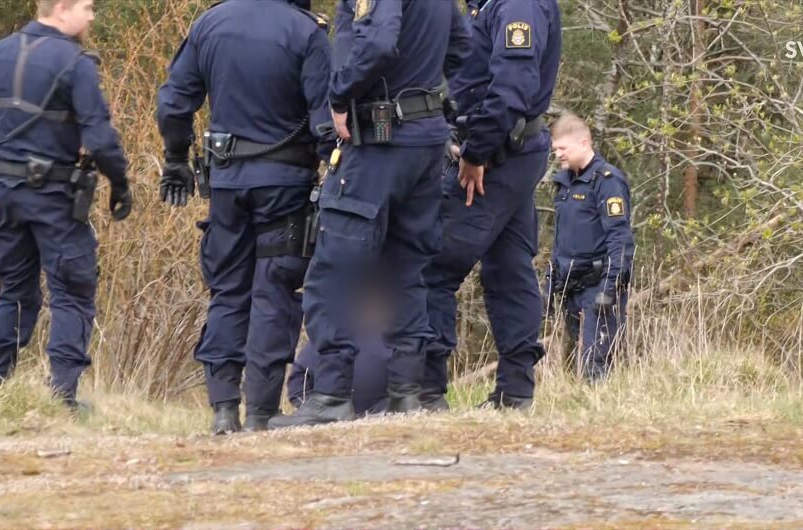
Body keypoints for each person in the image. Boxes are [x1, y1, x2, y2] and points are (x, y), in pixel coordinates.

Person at [267, 0, 470, 429]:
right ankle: (405, 393)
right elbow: (462, 47)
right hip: (424, 142)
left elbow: (377, 42)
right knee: (408, 268)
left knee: (334, 271)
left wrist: (341, 94)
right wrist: (430, 97)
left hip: (380, 141)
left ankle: (330, 395)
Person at [156, 0, 332, 434]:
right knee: (274, 288)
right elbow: (325, 118)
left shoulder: (210, 23)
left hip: (228, 184)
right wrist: (337, 171)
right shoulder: (305, 32)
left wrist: (177, 157)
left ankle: (222, 409)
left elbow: (174, 103)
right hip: (285, 184)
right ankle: (261, 411)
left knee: (228, 288)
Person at [0, 0, 132, 409]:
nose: (92, 17)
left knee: (15, 290)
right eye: (87, 8)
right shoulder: (75, 62)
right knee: (72, 289)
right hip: (55, 194)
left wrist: (11, 147)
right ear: (60, 9)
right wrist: (120, 184)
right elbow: (101, 137)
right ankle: (63, 396)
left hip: (9, 192)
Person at [421, 0, 562, 411]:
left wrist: (476, 152)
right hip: (508, 150)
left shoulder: (517, 4)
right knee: (509, 265)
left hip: (498, 154)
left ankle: (426, 391)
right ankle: (515, 390)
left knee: (437, 263)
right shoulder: (489, 6)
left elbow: (512, 85)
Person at [549, 113, 635, 381]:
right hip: (571, 285)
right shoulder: (565, 184)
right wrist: (552, 280)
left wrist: (610, 288)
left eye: (563, 148)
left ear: (584, 143)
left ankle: (602, 414)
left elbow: (619, 238)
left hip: (598, 285)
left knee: (594, 362)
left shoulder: (607, 181)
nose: (558, 155)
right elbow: (562, 238)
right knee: (573, 360)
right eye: (555, 150)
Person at [287, 337, 391, 417]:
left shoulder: (394, 336)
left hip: (383, 417)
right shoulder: (324, 336)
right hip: (327, 419)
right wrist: (317, 409)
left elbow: (404, 381)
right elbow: (298, 385)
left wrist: (382, 408)